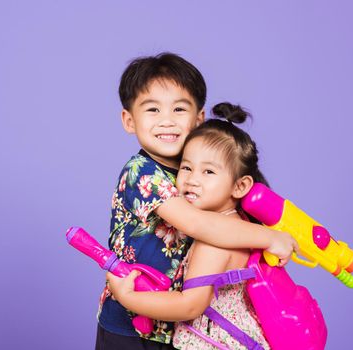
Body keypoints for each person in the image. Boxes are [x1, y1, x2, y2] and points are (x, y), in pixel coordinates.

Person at [96, 53, 296, 350]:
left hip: (180, 326)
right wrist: (270, 237)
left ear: (199, 118)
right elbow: (197, 224)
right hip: (129, 323)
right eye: (152, 110)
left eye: (179, 109)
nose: (167, 120)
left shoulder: (199, 173)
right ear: (129, 120)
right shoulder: (141, 173)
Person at [107, 102, 273, 349]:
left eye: (208, 172)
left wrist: (127, 298)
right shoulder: (238, 224)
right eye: (186, 167)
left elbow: (190, 305)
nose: (192, 179)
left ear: (240, 186)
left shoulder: (214, 239)